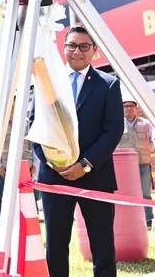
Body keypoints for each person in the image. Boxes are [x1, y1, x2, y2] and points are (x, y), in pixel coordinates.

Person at [32, 25, 123, 277]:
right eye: (71, 45)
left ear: (94, 51)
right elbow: (35, 125)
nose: (77, 51)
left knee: (103, 245)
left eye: (84, 46)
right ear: (64, 48)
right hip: (54, 178)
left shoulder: (109, 84)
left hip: (96, 177)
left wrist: (84, 164)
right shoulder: (47, 82)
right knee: (56, 245)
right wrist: (53, 164)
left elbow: (112, 131)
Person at [120, 92, 154, 227]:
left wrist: (147, 150)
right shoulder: (117, 124)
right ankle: (130, 221)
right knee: (126, 193)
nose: (128, 108)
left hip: (142, 164)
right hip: (124, 166)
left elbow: (152, 140)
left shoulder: (145, 124)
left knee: (145, 193)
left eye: (131, 106)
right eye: (125, 106)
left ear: (136, 108)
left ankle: (148, 220)